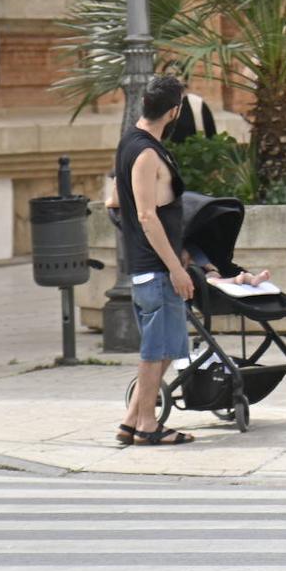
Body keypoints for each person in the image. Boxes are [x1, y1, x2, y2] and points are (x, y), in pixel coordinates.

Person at [113, 74, 196, 447]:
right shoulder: (146, 153)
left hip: (148, 262)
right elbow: (147, 215)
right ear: (174, 111)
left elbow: (113, 203)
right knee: (157, 350)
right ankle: (147, 424)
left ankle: (131, 419)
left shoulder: (128, 143)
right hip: (156, 268)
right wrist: (175, 267)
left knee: (168, 347)